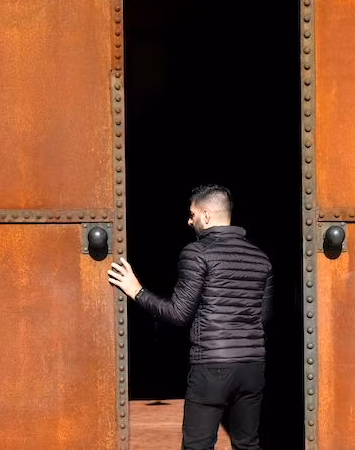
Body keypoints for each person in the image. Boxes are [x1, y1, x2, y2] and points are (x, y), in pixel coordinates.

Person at [108, 184, 273, 450]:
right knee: (247, 445)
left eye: (192, 214)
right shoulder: (261, 258)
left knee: (198, 446)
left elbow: (178, 313)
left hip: (211, 366)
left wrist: (136, 290)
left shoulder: (196, 253)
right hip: (253, 366)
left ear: (206, 216)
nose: (189, 220)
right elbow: (263, 317)